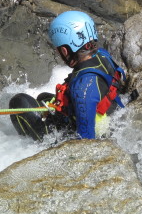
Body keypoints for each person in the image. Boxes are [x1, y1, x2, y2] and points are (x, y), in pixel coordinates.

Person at [9, 10, 126, 140]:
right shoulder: (102, 55)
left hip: (92, 133)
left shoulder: (83, 89)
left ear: (65, 51)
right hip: (110, 115)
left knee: (19, 102)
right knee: (43, 98)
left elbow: (86, 142)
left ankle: (33, 145)